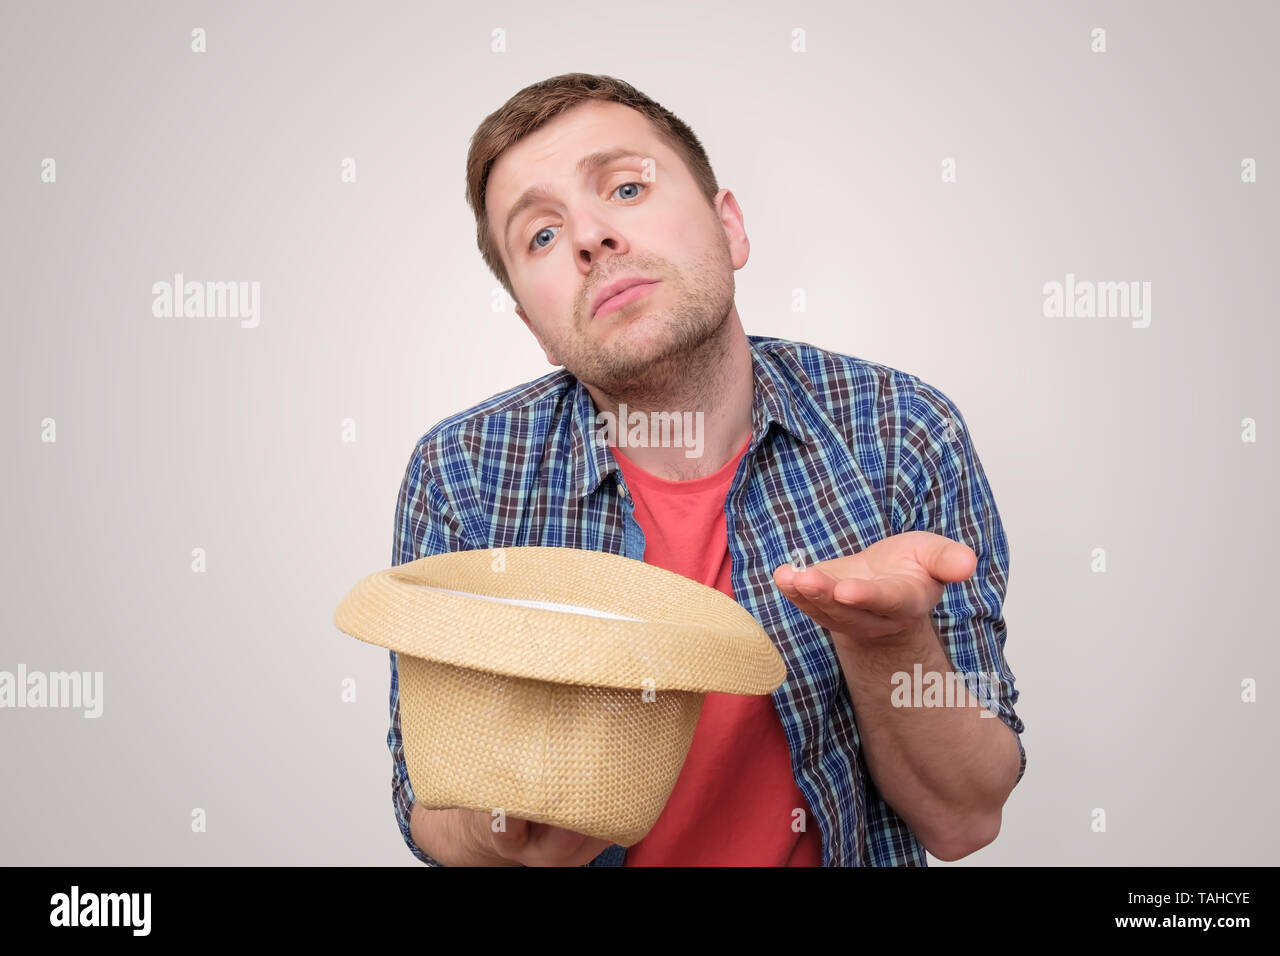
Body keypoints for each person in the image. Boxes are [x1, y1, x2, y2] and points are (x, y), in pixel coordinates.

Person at [388, 73, 1026, 867]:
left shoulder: (900, 430)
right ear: (535, 328)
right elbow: (427, 803)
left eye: (625, 186)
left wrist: (888, 640)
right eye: (542, 236)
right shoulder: (462, 475)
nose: (589, 236)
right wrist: (509, 837)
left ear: (730, 229)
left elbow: (964, 820)